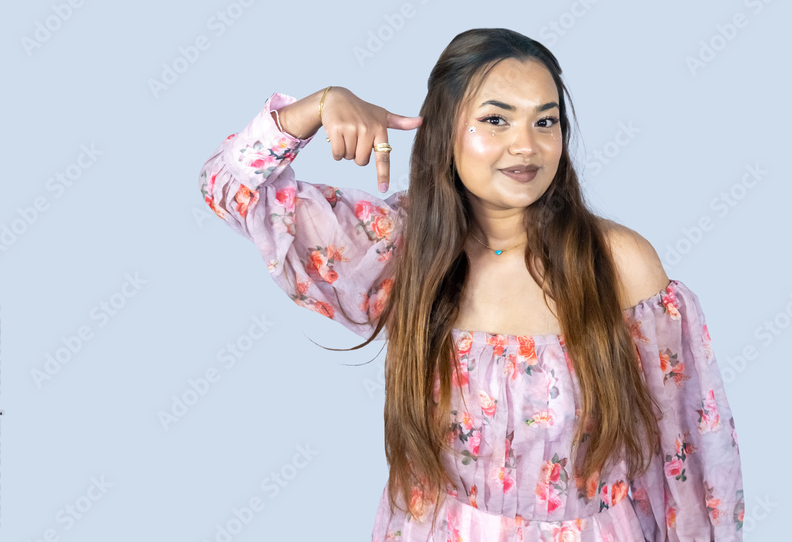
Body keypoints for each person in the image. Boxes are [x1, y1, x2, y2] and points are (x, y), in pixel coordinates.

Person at [198, 28, 745, 541]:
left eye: (545, 121)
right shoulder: (400, 249)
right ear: (445, 130)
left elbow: (689, 458)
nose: (526, 146)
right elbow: (230, 188)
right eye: (496, 120)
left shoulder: (617, 264)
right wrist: (318, 105)